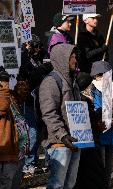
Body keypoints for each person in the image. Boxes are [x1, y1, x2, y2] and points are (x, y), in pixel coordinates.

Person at [39, 44, 81, 189]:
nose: (75, 60)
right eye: (72, 57)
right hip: (59, 143)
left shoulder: (72, 81)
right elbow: (49, 113)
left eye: (75, 57)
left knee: (70, 184)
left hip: (75, 140)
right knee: (57, 185)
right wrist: (62, 135)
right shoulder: (51, 82)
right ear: (62, 59)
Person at [19, 34, 53, 175]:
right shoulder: (24, 58)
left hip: (39, 101)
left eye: (40, 46)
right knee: (31, 133)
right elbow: (29, 75)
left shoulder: (38, 58)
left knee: (38, 134)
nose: (39, 49)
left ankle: (34, 161)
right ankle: (28, 163)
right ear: (29, 46)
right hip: (29, 101)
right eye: (36, 46)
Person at [74, 72, 108, 189]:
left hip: (86, 145)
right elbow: (88, 123)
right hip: (89, 147)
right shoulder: (83, 101)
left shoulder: (80, 99)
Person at [89, 61, 113, 189]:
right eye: (100, 75)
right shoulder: (92, 90)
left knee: (109, 168)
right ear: (95, 76)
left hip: (112, 134)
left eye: (105, 74)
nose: (102, 78)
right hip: (99, 135)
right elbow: (94, 109)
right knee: (99, 167)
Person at [0, 67, 19, 189]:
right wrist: (3, 86)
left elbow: (21, 96)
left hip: (12, 151)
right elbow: (2, 107)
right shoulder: (3, 93)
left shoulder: (8, 94)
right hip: (3, 150)